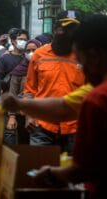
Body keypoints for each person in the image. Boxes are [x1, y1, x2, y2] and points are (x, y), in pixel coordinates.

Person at [34, 14, 107, 199]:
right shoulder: (39, 56)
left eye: (81, 62)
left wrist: (51, 174)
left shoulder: (100, 98)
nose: (82, 70)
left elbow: (83, 170)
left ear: (95, 56)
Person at [23, 10, 84, 155]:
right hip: (42, 126)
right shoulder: (39, 54)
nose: (70, 33)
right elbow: (30, 89)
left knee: (71, 175)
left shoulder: (84, 56)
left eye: (74, 29)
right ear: (56, 28)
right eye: (66, 27)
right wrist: (29, 116)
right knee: (38, 172)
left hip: (75, 129)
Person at [6, 39, 42, 144]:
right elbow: (12, 95)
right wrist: (12, 117)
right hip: (22, 115)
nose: (31, 53)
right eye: (28, 50)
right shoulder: (18, 71)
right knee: (24, 146)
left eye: (34, 50)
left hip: (42, 114)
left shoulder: (44, 69)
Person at [1, 83, 93, 123]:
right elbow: (30, 89)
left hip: (72, 127)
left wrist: (19, 104)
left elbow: (63, 108)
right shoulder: (39, 55)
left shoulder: (98, 91)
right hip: (42, 124)